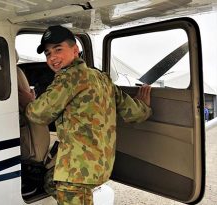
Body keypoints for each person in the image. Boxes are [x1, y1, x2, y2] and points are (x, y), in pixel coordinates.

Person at [18, 25, 152, 205]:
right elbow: (134, 113)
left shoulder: (68, 78)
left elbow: (38, 115)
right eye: (48, 53)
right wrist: (144, 105)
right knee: (50, 181)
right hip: (99, 166)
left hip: (76, 171)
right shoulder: (101, 77)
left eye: (58, 49)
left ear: (75, 50)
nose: (53, 57)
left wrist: (27, 100)